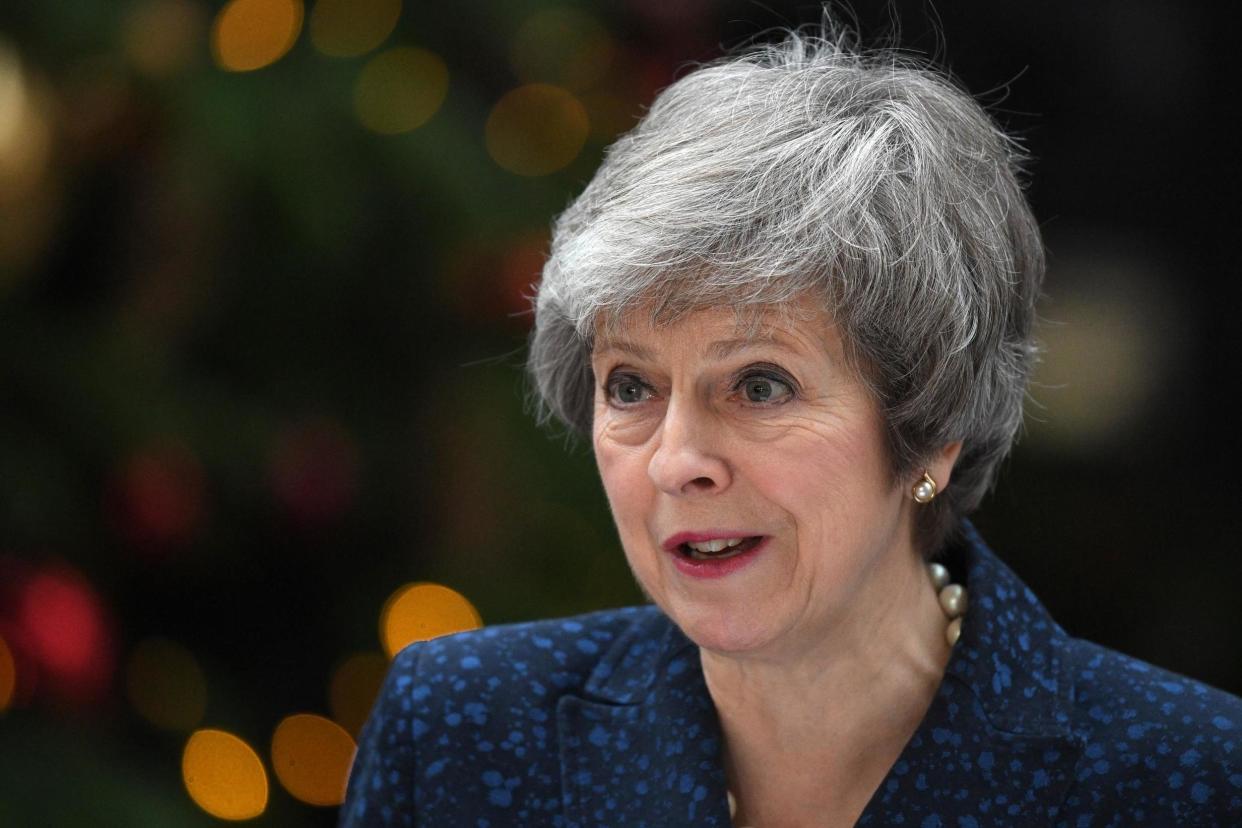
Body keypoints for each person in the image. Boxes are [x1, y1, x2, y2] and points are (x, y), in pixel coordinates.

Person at [340, 24, 1242, 827]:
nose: (676, 462)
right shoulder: (458, 733)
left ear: (929, 428)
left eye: (760, 386)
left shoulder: (1189, 776)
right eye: (630, 387)